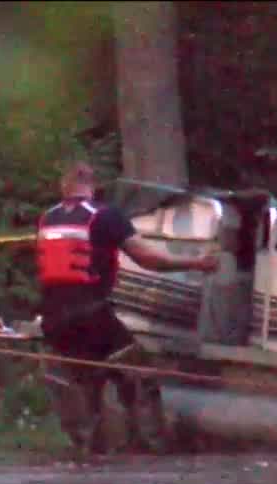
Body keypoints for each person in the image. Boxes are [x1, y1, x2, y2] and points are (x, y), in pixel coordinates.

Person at [36, 162, 219, 456]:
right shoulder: (106, 216)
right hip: (91, 317)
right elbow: (147, 259)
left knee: (89, 379)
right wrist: (197, 264)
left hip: (54, 322)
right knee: (139, 370)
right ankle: (148, 443)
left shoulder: (47, 219)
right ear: (92, 186)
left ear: (63, 187)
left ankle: (91, 445)